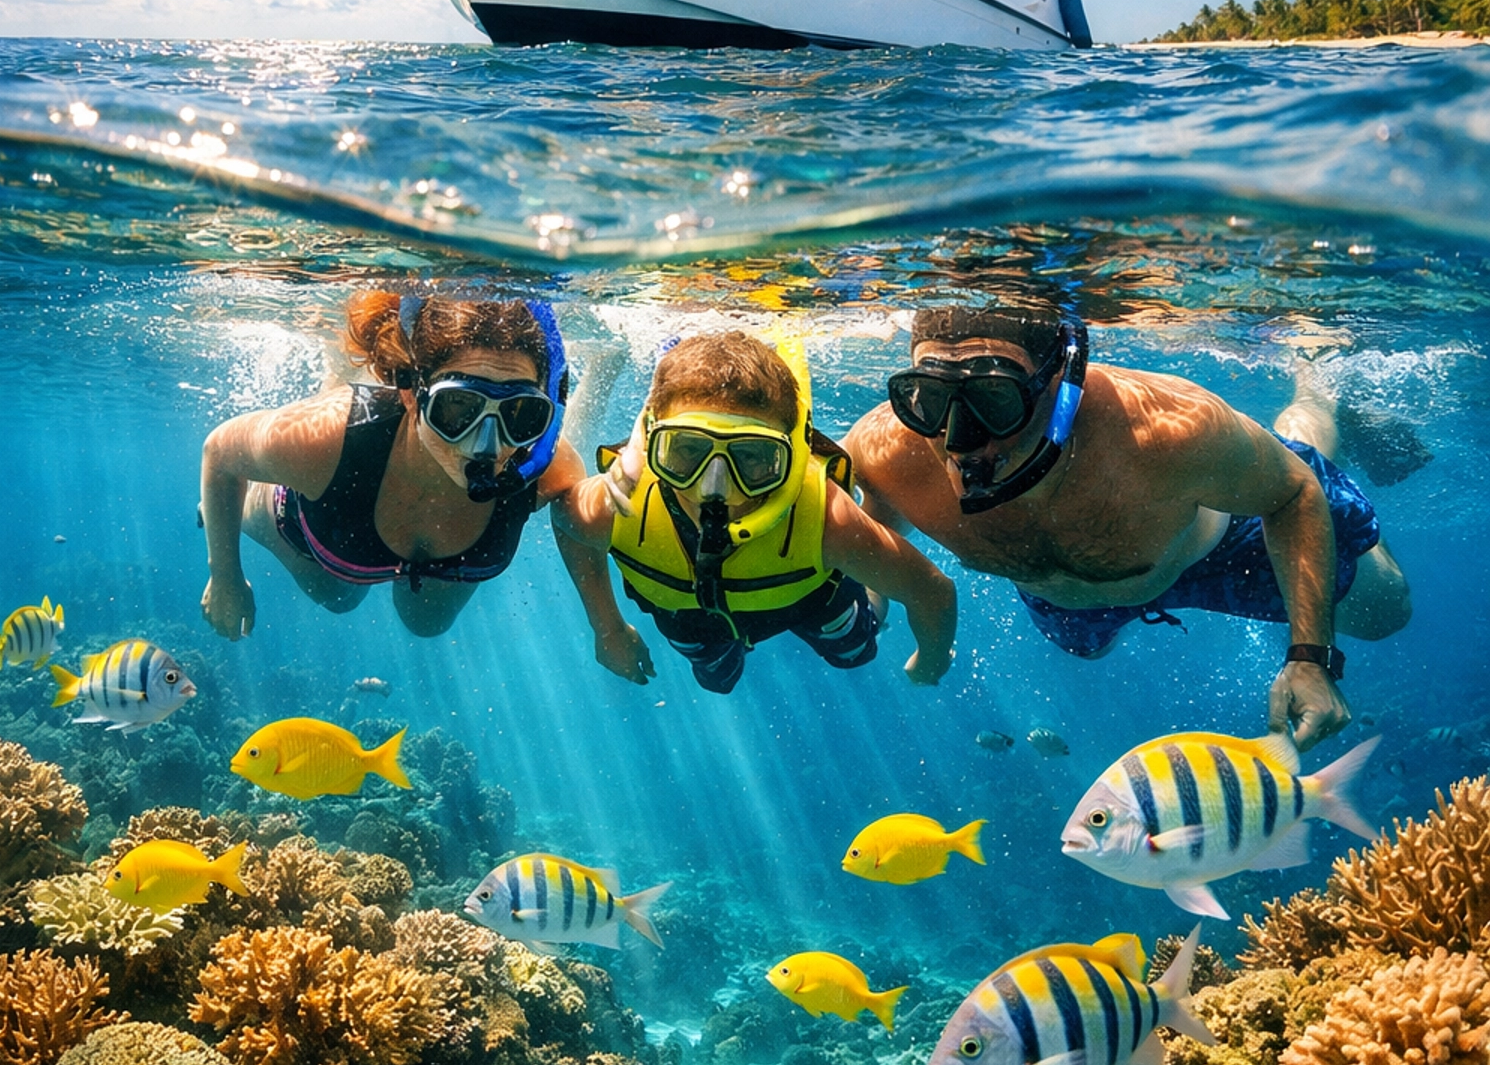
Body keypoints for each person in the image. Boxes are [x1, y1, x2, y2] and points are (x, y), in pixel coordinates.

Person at [844, 302, 1411, 748]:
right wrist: (876, 596)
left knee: (1388, 611)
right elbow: (872, 522)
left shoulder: (1172, 429)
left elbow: (1289, 493)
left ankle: (1313, 400)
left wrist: (1309, 659)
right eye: (930, 398)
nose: (957, 439)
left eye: (995, 399)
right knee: (1085, 651)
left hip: (1224, 545)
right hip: (1068, 599)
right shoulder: (886, 451)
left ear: (1061, 379)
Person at [199, 287, 652, 670]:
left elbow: (574, 523)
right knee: (335, 594)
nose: (487, 446)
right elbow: (221, 452)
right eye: (458, 409)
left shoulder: (541, 463)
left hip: (438, 560)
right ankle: (333, 374)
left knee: (427, 624)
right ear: (412, 395)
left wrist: (607, 625)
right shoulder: (325, 441)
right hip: (318, 516)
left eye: (520, 413)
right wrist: (225, 575)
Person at [554, 329, 957, 695]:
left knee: (856, 653)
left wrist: (932, 660)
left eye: (751, 458)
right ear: (653, 448)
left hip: (811, 597)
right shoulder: (617, 507)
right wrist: (605, 626)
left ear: (788, 459)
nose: (715, 489)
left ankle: (872, 579)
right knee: (716, 679)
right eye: (688, 451)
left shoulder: (827, 522)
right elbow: (566, 522)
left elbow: (932, 592)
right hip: (692, 615)